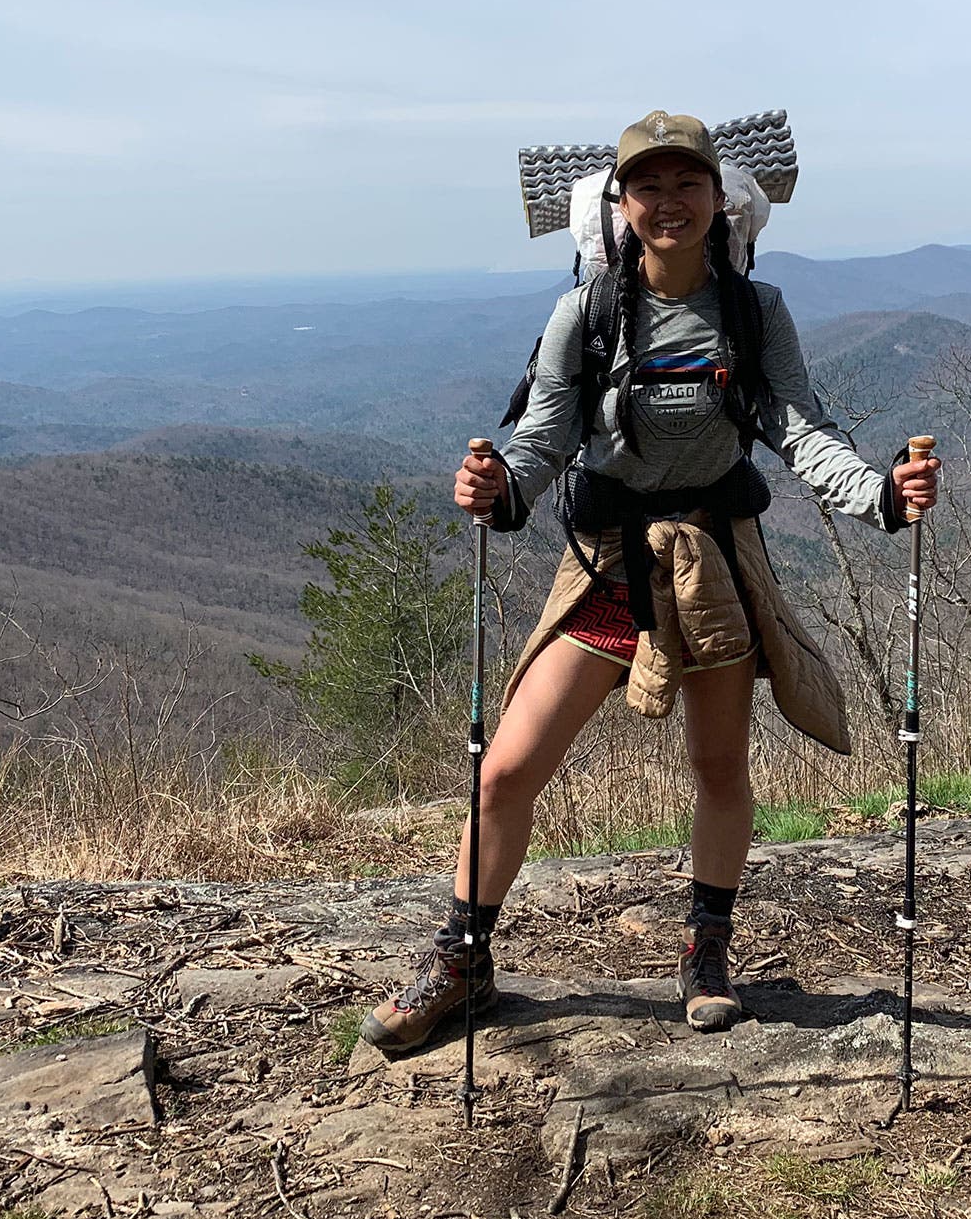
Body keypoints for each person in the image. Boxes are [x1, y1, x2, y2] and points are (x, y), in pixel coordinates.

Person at [360, 111, 939, 1053]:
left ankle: (706, 954)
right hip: (612, 563)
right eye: (649, 187)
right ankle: (462, 962)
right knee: (506, 769)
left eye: (686, 184)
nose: (670, 203)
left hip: (714, 558)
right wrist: (501, 489)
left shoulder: (754, 312)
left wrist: (880, 495)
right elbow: (545, 435)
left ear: (716, 197)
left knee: (719, 768)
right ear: (622, 204)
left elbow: (798, 427)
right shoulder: (587, 314)